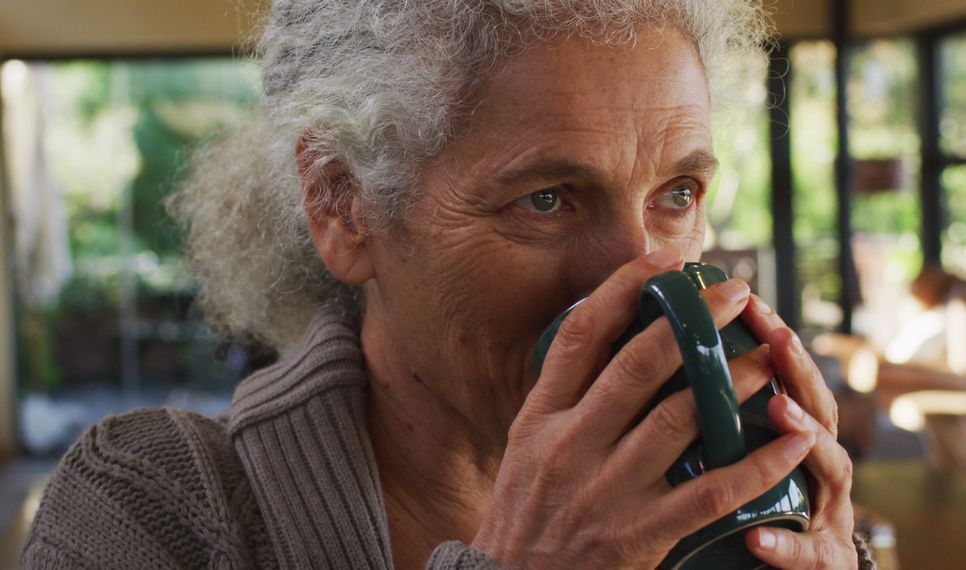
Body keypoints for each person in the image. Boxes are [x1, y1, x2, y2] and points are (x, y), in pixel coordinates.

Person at [23, 1, 871, 568]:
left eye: (676, 195)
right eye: (546, 199)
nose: (641, 270)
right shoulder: (147, 512)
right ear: (341, 203)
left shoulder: (719, 509)